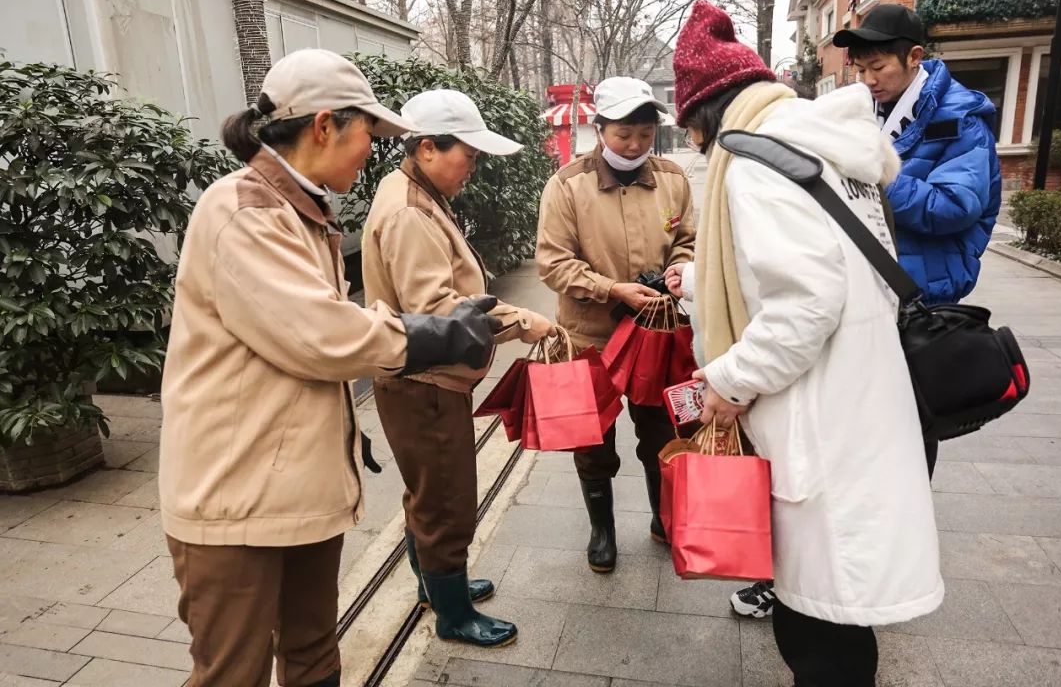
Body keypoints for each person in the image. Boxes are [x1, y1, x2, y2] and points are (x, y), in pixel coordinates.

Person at [159, 50, 504, 687]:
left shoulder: (302, 210)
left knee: (315, 654)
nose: (368, 153)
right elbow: (318, 335)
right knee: (233, 672)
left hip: (294, 489)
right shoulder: (245, 210)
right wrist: (435, 334)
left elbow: (297, 340)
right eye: (367, 135)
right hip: (235, 500)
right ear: (324, 126)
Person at [666, 2, 943, 685]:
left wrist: (728, 384)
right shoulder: (821, 147)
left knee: (819, 632)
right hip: (859, 404)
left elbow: (804, 303)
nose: (702, 150)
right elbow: (830, 272)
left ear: (706, 117)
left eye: (695, 137)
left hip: (823, 424)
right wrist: (702, 285)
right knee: (836, 622)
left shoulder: (755, 160)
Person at [362, 89, 554, 648]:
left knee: (428, 492)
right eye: (466, 154)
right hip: (425, 382)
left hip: (417, 379)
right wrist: (522, 321)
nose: (473, 165)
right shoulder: (410, 213)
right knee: (446, 498)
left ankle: (437, 586)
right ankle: (454, 614)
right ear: (425, 147)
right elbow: (437, 311)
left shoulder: (407, 189)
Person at [535, 76, 696, 573]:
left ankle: (660, 517)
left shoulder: (672, 179)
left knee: (660, 429)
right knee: (593, 437)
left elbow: (689, 240)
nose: (636, 145)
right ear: (599, 128)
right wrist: (611, 289)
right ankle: (601, 530)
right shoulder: (566, 185)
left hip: (656, 332)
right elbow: (552, 263)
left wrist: (679, 269)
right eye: (624, 134)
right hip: (590, 336)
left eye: (646, 134)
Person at [833, 3, 1001, 478]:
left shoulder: (959, 117)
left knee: (911, 426)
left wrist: (874, 172)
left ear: (915, 57)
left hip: (921, 294)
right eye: (862, 69)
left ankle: (907, 529)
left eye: (879, 67)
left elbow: (953, 206)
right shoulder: (875, 113)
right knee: (870, 424)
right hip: (873, 288)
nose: (868, 79)